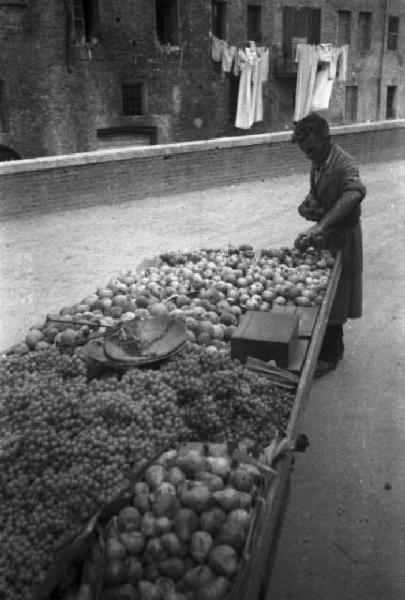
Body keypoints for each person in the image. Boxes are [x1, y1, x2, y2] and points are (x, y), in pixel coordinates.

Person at [292, 113, 366, 377]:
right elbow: (319, 190)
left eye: (311, 150)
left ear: (327, 140)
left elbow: (355, 192)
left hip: (343, 237)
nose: (308, 156)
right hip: (326, 236)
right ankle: (332, 346)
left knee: (336, 296)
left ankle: (331, 354)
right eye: (305, 152)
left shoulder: (344, 163)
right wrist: (309, 205)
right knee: (327, 294)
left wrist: (321, 225)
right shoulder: (320, 160)